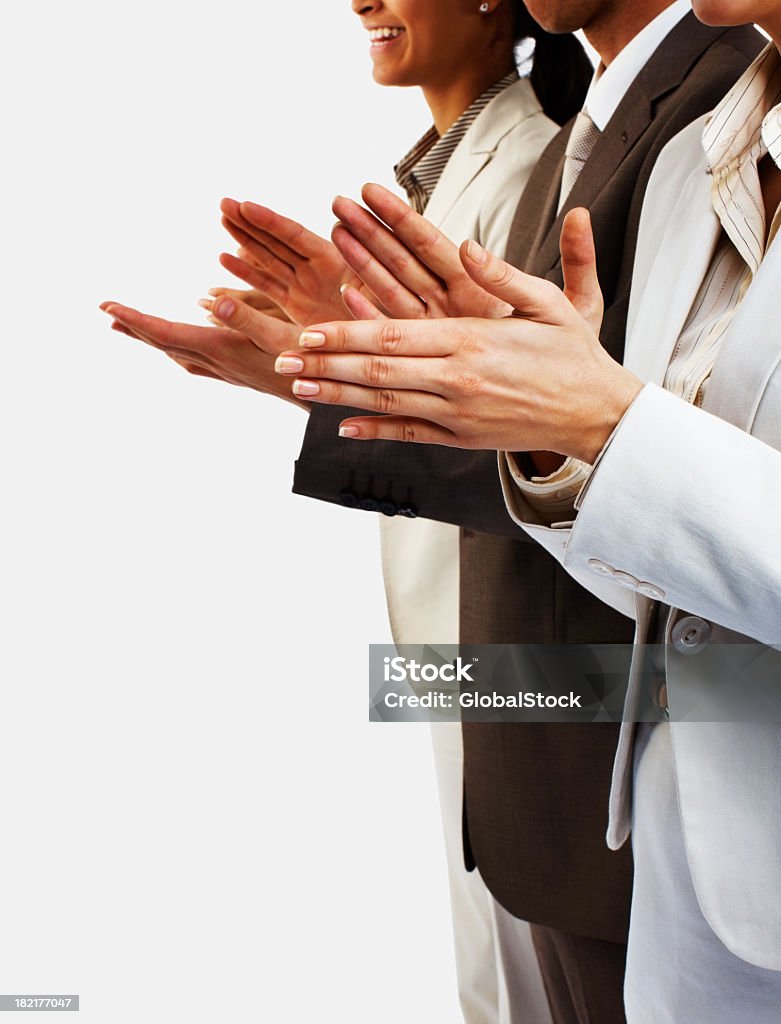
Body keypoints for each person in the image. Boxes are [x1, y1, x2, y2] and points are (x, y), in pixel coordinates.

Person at [268, 0, 781, 1018]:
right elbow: (655, 551)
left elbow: (645, 456)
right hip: (675, 867)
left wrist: (601, 422)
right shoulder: (699, 161)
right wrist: (542, 432)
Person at [101, 3, 590, 1021]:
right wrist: (306, 369)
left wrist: (320, 378)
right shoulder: (444, 166)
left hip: (535, 653)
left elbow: (545, 439)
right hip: (479, 652)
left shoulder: (540, 165)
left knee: (530, 980)